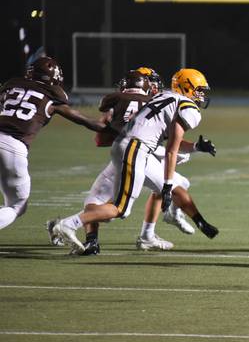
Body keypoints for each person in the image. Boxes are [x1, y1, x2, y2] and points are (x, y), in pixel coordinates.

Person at [49, 68, 219, 254]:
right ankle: (67, 224)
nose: (202, 95)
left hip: (126, 145)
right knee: (120, 209)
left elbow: (168, 141)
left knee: (113, 207)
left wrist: (195, 147)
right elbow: (171, 149)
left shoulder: (163, 97)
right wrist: (168, 186)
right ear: (187, 87)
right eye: (199, 90)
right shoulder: (188, 107)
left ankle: (79, 228)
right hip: (136, 149)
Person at [0, 56, 105, 230]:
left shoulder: (11, 85)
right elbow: (86, 121)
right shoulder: (53, 97)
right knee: (17, 206)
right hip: (13, 148)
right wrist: (112, 126)